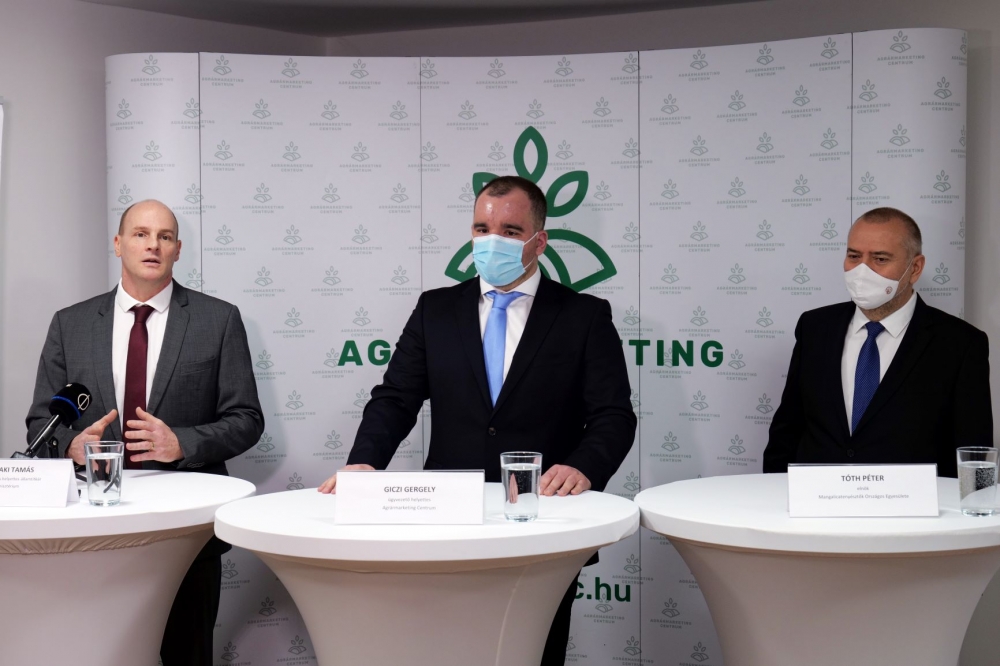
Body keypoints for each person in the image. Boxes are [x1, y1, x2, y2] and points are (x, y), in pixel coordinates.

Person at [318, 175, 636, 665]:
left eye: (510, 231)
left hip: (541, 519)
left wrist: (583, 467)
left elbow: (613, 415)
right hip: (448, 517)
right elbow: (395, 399)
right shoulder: (436, 309)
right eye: (481, 229)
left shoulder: (584, 316)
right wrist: (365, 462)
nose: (492, 242)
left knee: (535, 651)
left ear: (539, 242)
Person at [26, 199, 264, 665]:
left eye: (164, 236)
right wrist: (71, 446)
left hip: (186, 533)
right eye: (140, 234)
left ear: (177, 250)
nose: (152, 245)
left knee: (187, 656)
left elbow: (246, 419)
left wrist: (182, 443)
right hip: (93, 532)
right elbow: (40, 422)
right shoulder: (71, 324)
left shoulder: (218, 320)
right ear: (118, 244)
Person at [763, 207, 991, 477]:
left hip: (912, 502)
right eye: (854, 256)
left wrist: (973, 500)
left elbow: (974, 455)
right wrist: (774, 491)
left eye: (880, 259)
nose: (862, 271)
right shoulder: (815, 327)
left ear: (915, 268)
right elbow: (787, 429)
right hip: (817, 498)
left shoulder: (960, 343)